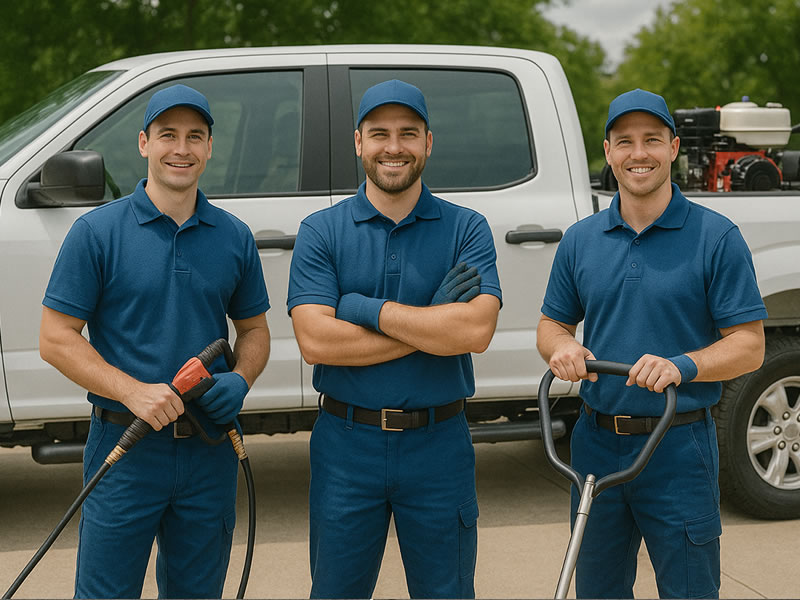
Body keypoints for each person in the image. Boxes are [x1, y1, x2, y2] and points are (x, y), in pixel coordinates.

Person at [39, 84, 271, 599]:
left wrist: (241, 378)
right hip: (124, 447)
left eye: (195, 136)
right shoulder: (97, 233)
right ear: (144, 143)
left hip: (209, 449)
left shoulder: (233, 236)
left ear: (210, 147)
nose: (181, 148)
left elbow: (254, 330)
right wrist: (132, 391)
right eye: (168, 135)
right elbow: (56, 339)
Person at [537, 88, 767, 599]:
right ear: (609, 151)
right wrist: (563, 349)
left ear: (674, 148)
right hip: (595, 446)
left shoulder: (716, 237)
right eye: (625, 142)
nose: (638, 153)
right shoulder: (581, 240)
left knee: (689, 589)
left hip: (678, 446)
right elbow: (551, 326)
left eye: (651, 141)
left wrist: (682, 366)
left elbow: (749, 346)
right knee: (597, 589)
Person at [288, 79, 502, 599]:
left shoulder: (466, 228)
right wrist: (431, 321)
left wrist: (362, 309)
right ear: (358, 142)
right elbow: (316, 341)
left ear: (428, 143)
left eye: (409, 133)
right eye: (379, 133)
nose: (394, 146)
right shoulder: (322, 230)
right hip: (346, 445)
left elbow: (474, 330)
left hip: (439, 446)